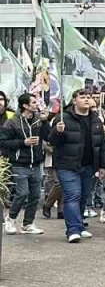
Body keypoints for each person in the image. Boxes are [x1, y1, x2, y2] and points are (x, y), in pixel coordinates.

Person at [48, 89, 105, 244]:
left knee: (83, 196)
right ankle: (73, 230)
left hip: (88, 165)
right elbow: (51, 141)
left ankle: (80, 225)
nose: (87, 100)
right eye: (82, 97)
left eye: (88, 97)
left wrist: (103, 165)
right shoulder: (63, 118)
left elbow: (101, 144)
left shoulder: (95, 119)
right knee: (73, 195)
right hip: (67, 164)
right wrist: (58, 132)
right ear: (74, 101)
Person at [1, 93, 49, 236]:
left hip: (36, 162)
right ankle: (10, 218)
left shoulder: (38, 120)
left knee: (34, 195)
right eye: (34, 102)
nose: (37, 104)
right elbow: (3, 142)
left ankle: (28, 223)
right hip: (19, 162)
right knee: (22, 193)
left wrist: (46, 122)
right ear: (25, 106)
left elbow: (48, 136)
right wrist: (23, 143)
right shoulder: (12, 122)